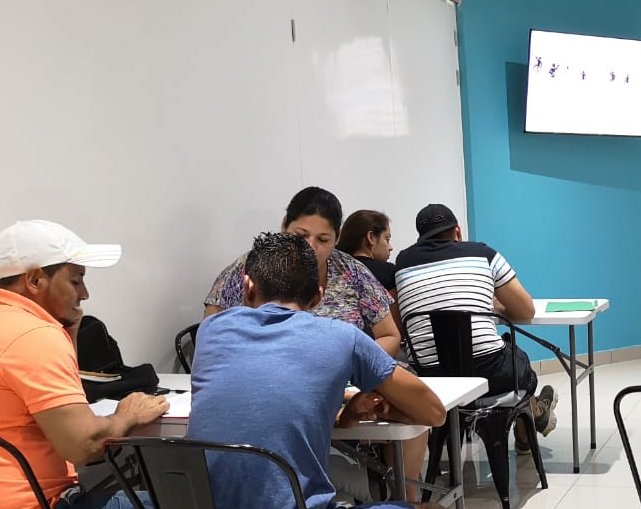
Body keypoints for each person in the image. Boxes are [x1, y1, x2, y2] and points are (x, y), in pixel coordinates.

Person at [188, 232, 454, 509]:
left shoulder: (211, 332)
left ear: (247, 286)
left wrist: (338, 410)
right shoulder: (341, 337)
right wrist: (368, 401)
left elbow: (266, 399)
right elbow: (433, 412)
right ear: (318, 296)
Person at [0, 220, 179, 509]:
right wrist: (127, 415)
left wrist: (66, 334)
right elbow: (82, 445)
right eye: (75, 280)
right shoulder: (32, 334)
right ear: (36, 279)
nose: (85, 294)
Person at [394, 204, 556, 453]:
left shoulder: (402, 263)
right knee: (520, 363)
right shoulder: (483, 254)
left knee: (510, 358)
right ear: (458, 231)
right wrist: (493, 306)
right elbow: (526, 310)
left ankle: (533, 417)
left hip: (431, 378)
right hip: (488, 374)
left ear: (420, 238)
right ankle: (532, 421)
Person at [204, 187, 401, 356]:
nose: (310, 247)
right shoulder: (250, 267)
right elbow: (210, 336)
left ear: (337, 238)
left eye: (323, 239)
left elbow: (389, 335)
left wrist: (354, 367)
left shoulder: (352, 272)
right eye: (300, 235)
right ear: (284, 226)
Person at [337, 209, 396, 293]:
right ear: (371, 237)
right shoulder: (388, 273)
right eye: (387, 239)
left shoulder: (334, 270)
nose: (391, 247)